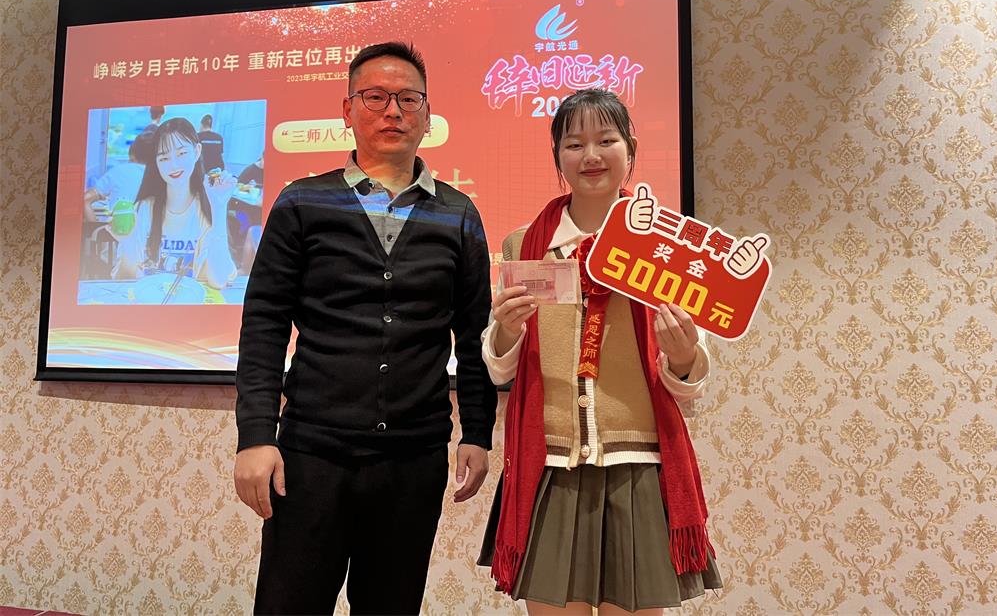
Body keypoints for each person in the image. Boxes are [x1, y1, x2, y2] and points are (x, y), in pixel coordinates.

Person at [234, 42, 497, 615]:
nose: (393, 110)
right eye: (375, 97)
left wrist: (477, 432)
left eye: (408, 98)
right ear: (348, 110)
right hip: (310, 455)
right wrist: (255, 435)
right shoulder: (303, 201)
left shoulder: (459, 214)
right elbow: (264, 324)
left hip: (414, 459)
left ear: (427, 115)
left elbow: (475, 333)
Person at [479, 89, 722, 614]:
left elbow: (690, 381)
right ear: (557, 158)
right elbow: (500, 368)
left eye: (606, 140)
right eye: (574, 144)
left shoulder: (665, 246)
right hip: (550, 466)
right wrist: (505, 331)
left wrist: (683, 355)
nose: (590, 155)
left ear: (630, 149)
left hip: (637, 465)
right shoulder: (525, 245)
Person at [112, 117, 237, 288]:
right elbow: (123, 279)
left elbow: (219, 280)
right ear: (156, 162)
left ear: (197, 151)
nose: (174, 165)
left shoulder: (207, 208)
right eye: (164, 158)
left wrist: (219, 206)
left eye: (182, 153)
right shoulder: (143, 208)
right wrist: (127, 244)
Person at [82, 132, 151, 222]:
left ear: (132, 156)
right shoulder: (162, 176)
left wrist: (94, 228)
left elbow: (85, 199)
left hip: (118, 229)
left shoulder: (119, 171)